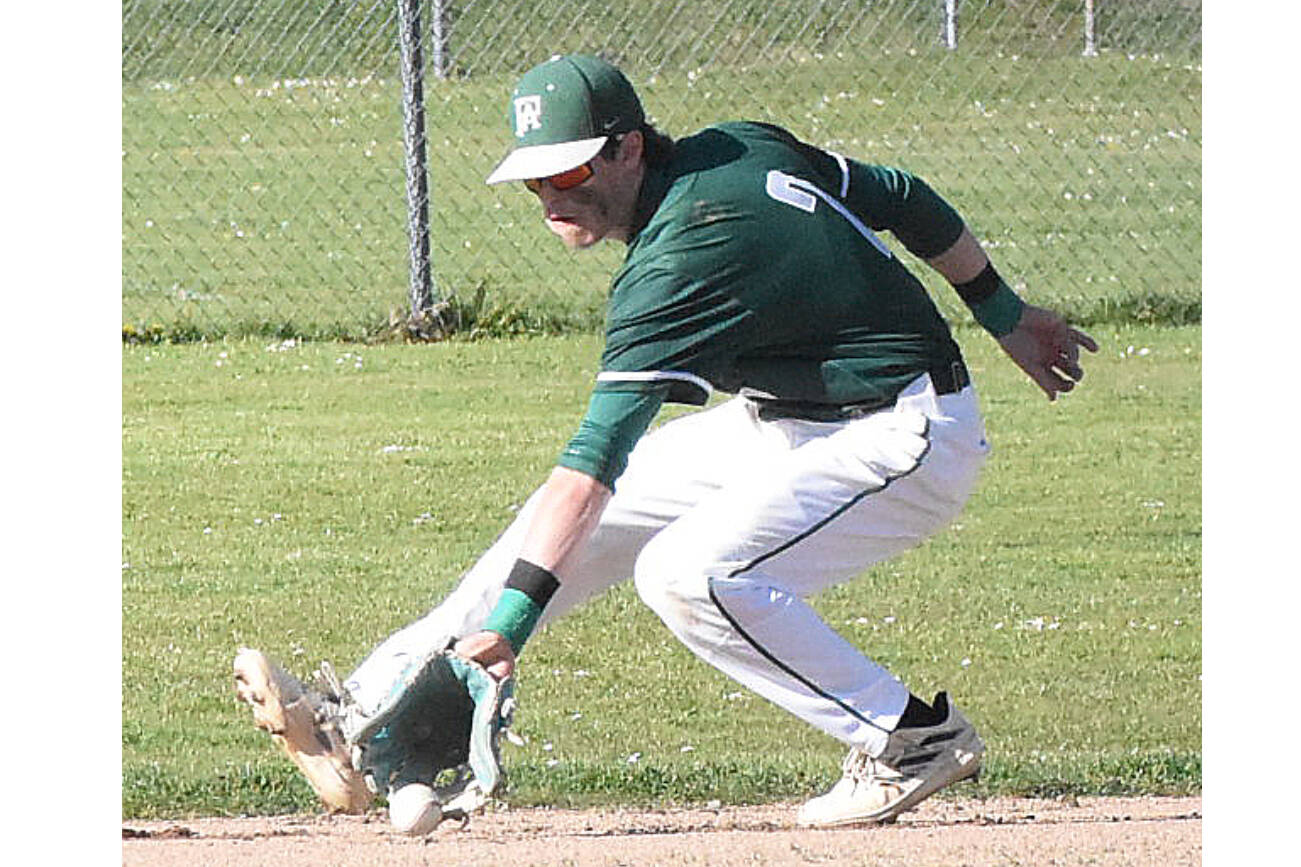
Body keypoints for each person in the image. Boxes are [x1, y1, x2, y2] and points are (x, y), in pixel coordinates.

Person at [341, 53, 1098, 828]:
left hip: (905, 434)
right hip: (787, 420)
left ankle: (909, 736)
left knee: (688, 572)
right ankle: (362, 706)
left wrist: (509, 628)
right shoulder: (737, 146)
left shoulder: (678, 260)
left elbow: (592, 465)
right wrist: (1002, 313)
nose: (547, 199)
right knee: (565, 518)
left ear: (627, 148)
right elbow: (902, 196)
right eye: (533, 181)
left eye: (565, 175)